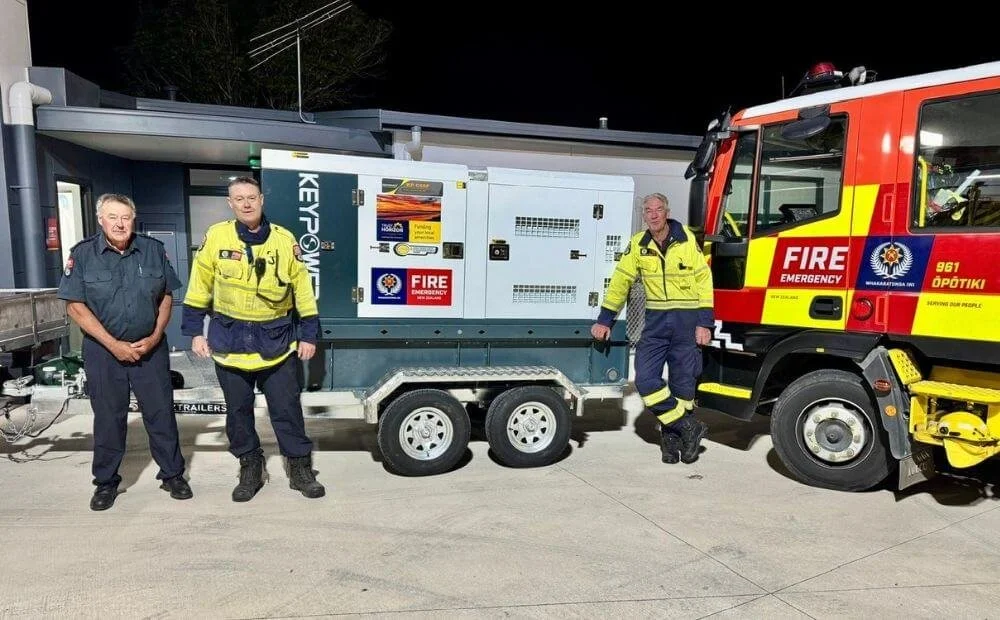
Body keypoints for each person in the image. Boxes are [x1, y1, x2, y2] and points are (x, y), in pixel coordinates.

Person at [181, 176, 324, 502]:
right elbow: (199, 284)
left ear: (261, 200)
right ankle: (250, 465)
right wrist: (194, 332)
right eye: (239, 198)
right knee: (238, 413)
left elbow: (303, 291)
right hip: (230, 344)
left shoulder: (284, 240)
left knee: (287, 410)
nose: (246, 203)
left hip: (276, 344)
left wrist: (308, 334)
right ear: (230, 203)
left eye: (251, 197)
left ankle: (299, 468)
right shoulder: (216, 236)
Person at [57, 193, 192, 511]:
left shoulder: (153, 250)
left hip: (150, 349)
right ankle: (106, 482)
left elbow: (166, 297)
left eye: (126, 217)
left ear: (133, 219)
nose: (120, 224)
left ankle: (172, 475)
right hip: (103, 351)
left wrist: (155, 336)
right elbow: (75, 307)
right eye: (112, 217)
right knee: (108, 417)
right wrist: (112, 344)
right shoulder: (83, 254)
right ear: (100, 219)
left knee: (161, 413)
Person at [591, 192, 715, 464]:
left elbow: (704, 281)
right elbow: (621, 281)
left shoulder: (686, 239)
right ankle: (688, 427)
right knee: (646, 379)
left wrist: (705, 322)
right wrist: (605, 318)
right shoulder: (638, 244)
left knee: (683, 384)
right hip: (656, 321)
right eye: (649, 210)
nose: (654, 214)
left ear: (667, 212)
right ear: (644, 215)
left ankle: (673, 441)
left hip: (686, 321)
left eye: (659, 209)